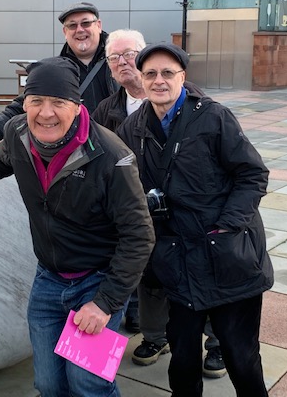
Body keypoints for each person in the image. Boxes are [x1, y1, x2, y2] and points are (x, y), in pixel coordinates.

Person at [0, 56, 155, 397]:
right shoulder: (18, 133)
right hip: (48, 279)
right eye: (36, 101)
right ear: (25, 104)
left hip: (97, 282)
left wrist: (105, 303)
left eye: (58, 102)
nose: (46, 113)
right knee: (48, 384)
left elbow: (140, 236)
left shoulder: (111, 156)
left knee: (89, 385)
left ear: (76, 106)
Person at [116, 42, 273, 396]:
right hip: (176, 262)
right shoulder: (132, 127)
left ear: (183, 77)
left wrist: (228, 226)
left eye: (167, 73)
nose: (159, 80)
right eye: (150, 73)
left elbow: (253, 174)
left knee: (241, 357)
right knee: (183, 360)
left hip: (227, 258)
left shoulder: (214, 117)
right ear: (141, 79)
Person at [94, 30, 225, 374]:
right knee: (151, 280)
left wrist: (227, 219)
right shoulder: (109, 110)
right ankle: (156, 336)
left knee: (203, 279)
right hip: (145, 215)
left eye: (129, 54)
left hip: (195, 215)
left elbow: (239, 168)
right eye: (114, 58)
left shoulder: (201, 108)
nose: (122, 62)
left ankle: (217, 343)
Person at [0, 2, 116, 141]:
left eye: (86, 23)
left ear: (98, 25)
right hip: (76, 151)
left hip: (116, 147)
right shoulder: (57, 70)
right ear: (65, 32)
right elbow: (26, 103)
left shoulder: (121, 62)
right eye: (72, 25)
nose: (80, 30)